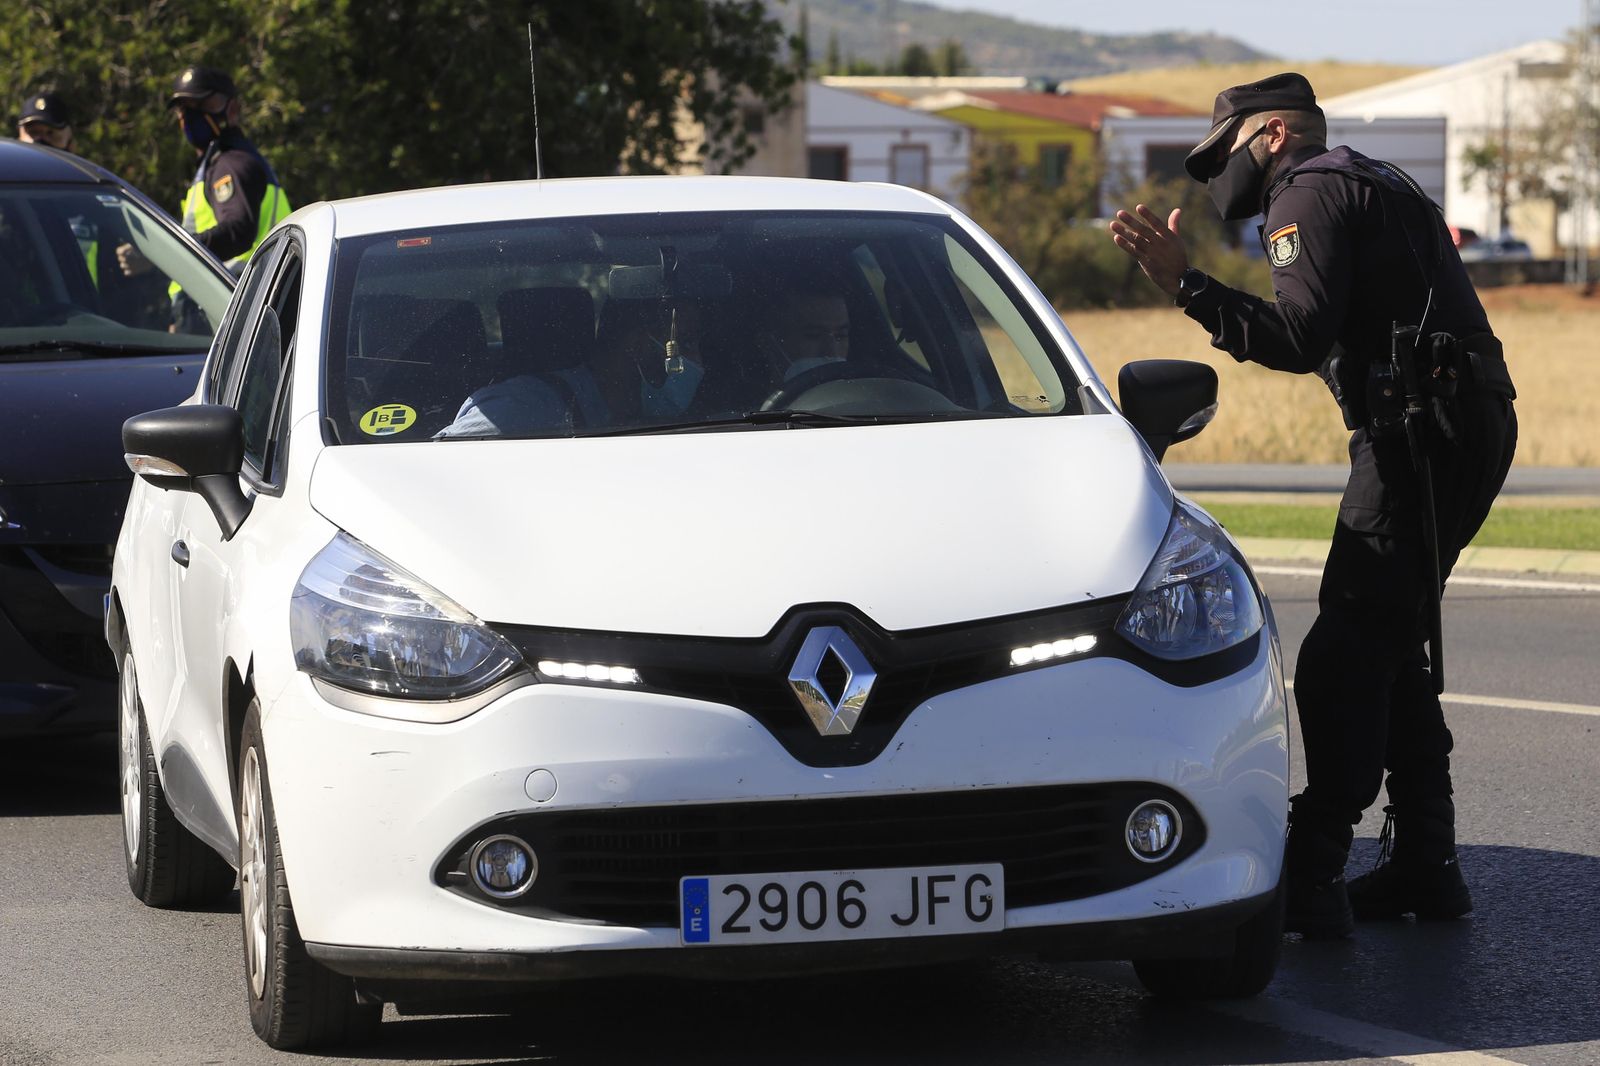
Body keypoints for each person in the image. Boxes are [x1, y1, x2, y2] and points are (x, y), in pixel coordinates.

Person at [1107, 72, 1517, 939]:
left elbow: (1299, 338)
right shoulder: (1368, 177)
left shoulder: (1308, 191)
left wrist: (1188, 286)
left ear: (1269, 137)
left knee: (1343, 649)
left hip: (1419, 435)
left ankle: (1316, 865)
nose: (1215, 178)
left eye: (1222, 155)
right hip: (1458, 422)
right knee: (1390, 640)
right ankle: (1427, 864)